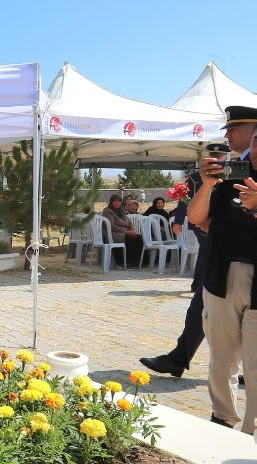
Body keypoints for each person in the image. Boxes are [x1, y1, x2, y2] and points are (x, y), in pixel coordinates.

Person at [140, 106, 257, 381]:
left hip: (246, 261)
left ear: (254, 130)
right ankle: (184, 358)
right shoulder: (228, 168)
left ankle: (239, 369)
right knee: (206, 303)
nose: (227, 133)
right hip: (218, 252)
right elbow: (203, 213)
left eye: (234, 128)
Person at [186, 124, 257, 431]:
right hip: (221, 277)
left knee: (255, 367)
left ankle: (252, 429)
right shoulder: (230, 177)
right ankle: (222, 419)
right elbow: (196, 218)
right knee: (222, 359)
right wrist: (206, 184)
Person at [101, 194, 143, 268]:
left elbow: (129, 222)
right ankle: (123, 262)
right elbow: (112, 226)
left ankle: (135, 262)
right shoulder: (107, 211)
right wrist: (126, 232)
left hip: (122, 233)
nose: (117, 203)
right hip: (112, 234)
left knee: (139, 238)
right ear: (111, 202)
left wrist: (132, 230)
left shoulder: (121, 211)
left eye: (119, 201)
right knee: (130, 239)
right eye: (115, 201)